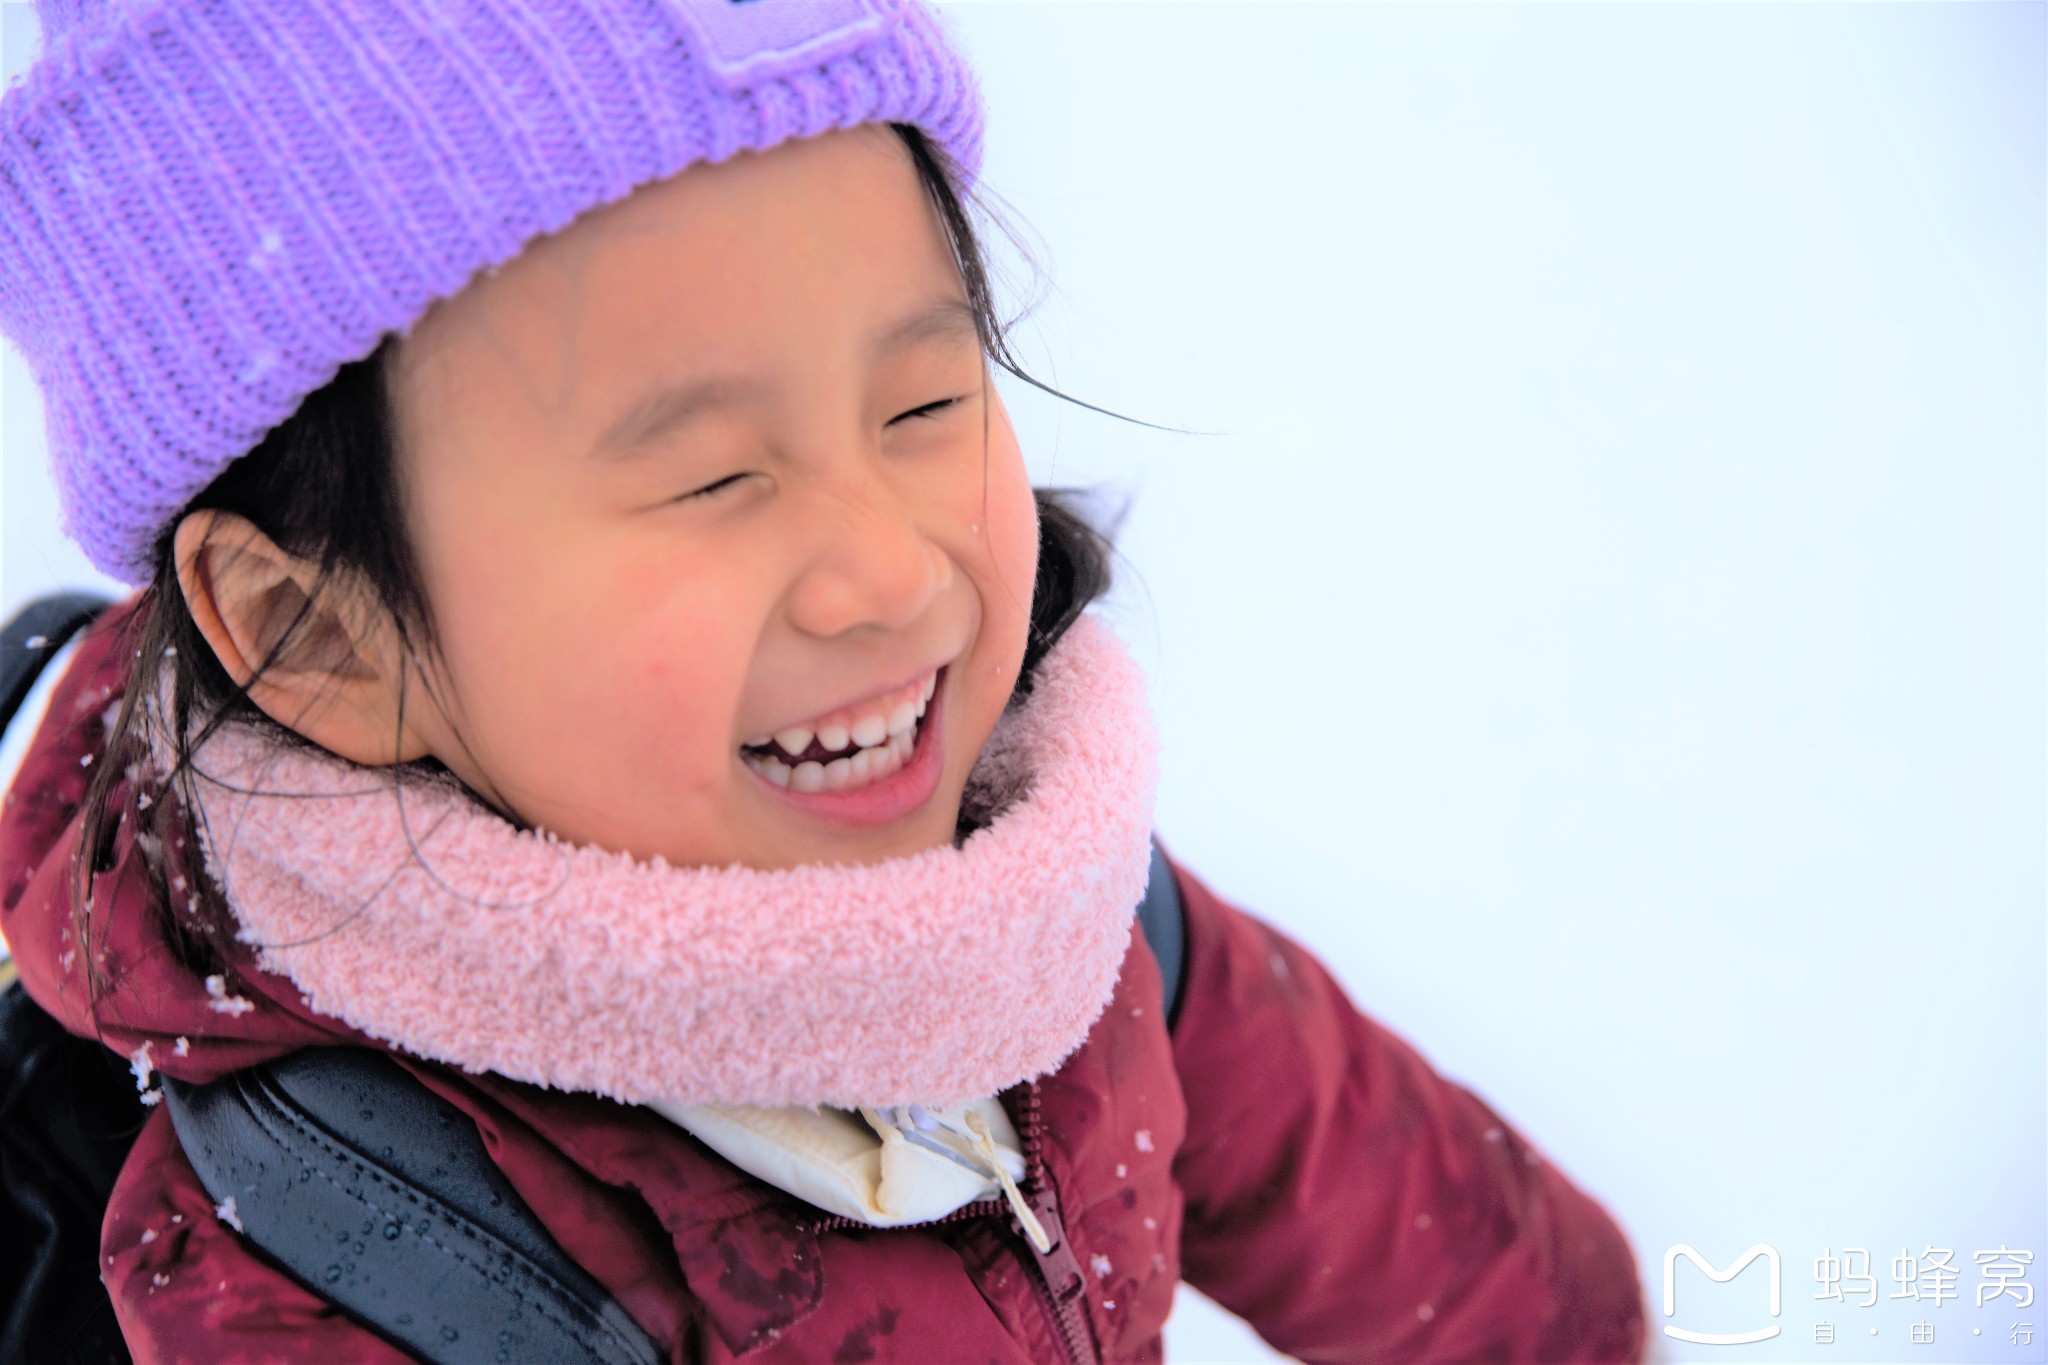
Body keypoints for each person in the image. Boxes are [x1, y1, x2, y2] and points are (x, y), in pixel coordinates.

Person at [0, 0, 1649, 1359]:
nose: (891, 574)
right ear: (319, 635)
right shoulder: (339, 1266)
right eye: (712, 480)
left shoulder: (1043, 889)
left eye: (925, 406)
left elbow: (1407, 1214)